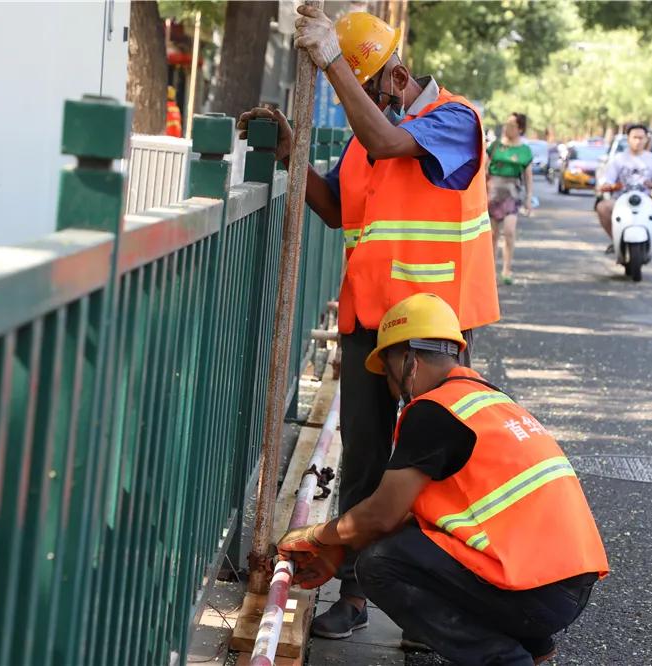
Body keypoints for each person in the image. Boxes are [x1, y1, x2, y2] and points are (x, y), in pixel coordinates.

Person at [236, 7, 499, 640]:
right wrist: (294, 157)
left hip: (434, 331)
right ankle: (356, 594)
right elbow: (335, 209)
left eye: (368, 87)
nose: (363, 103)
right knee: (364, 456)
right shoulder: (364, 135)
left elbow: (386, 142)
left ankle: (435, 596)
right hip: (369, 321)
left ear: (399, 77)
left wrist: (330, 59)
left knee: (435, 461)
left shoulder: (455, 120)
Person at [277, 293, 609, 665]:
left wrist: (315, 536)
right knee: (416, 545)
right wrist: (339, 545)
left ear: (409, 362)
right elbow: (408, 514)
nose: (389, 386)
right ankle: (534, 646)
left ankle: (505, 660)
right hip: (564, 587)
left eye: (387, 371)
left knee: (380, 565)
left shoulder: (434, 411)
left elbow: (380, 516)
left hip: (536, 594)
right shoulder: (488, 401)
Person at [596, 123, 652, 249]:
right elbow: (606, 180)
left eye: (641, 138)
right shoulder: (618, 159)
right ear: (628, 139)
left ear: (646, 139)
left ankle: (651, 238)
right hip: (621, 200)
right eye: (634, 137)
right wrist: (610, 186)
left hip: (645, 199)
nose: (638, 141)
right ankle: (616, 241)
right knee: (602, 207)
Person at [485, 113, 533, 284]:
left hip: (512, 194)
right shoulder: (495, 146)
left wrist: (528, 197)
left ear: (520, 128)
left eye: (512, 125)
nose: (508, 128)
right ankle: (490, 270)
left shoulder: (524, 151)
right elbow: (484, 168)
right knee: (492, 234)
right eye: (507, 124)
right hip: (493, 193)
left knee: (510, 231)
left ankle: (507, 269)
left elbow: (528, 176)